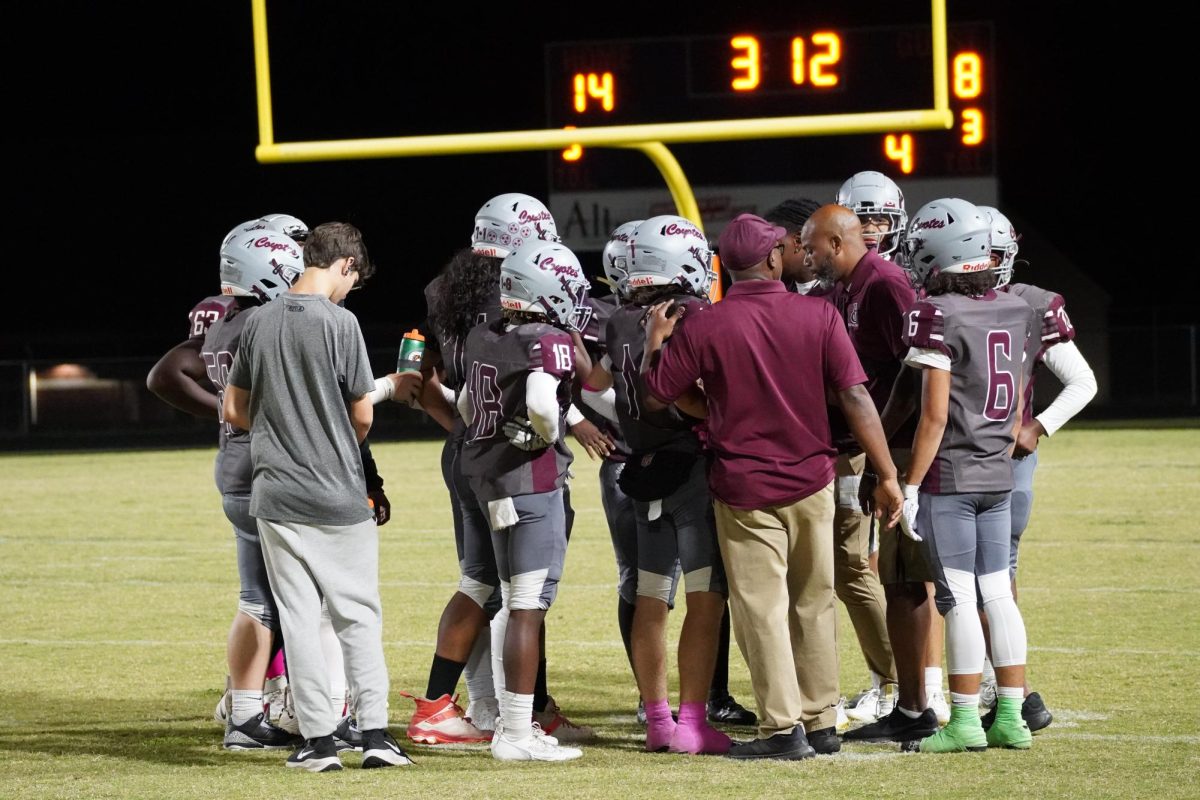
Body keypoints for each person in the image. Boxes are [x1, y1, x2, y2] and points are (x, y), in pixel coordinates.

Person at [641, 212, 904, 760]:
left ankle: (783, 728)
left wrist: (664, 360)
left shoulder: (705, 324)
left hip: (743, 484)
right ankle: (821, 719)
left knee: (761, 608)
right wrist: (888, 471)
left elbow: (659, 398)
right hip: (813, 479)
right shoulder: (818, 314)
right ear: (769, 258)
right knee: (814, 601)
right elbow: (856, 398)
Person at [146, 214, 377, 748]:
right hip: (277, 472)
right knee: (311, 603)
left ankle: (246, 714)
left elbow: (184, 378)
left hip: (236, 468)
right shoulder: (269, 322)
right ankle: (314, 711)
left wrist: (229, 416)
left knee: (259, 600)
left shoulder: (226, 323)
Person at [224, 221, 421, 771]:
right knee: (357, 618)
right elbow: (361, 412)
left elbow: (235, 411)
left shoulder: (256, 322)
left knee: (300, 619)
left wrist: (282, 427)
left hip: (276, 495)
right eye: (351, 280)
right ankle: (377, 737)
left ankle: (318, 744)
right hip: (336, 493)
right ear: (345, 265)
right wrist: (335, 437)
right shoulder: (341, 322)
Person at [404, 193, 595, 746]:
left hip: (471, 446)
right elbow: (532, 374)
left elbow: (414, 361)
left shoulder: (446, 289)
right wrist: (572, 420)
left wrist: (460, 422)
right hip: (515, 453)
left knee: (491, 584)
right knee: (522, 591)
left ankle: (492, 707)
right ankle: (495, 711)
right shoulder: (515, 295)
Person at [578, 216, 732, 755]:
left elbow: (593, 381)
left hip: (641, 470)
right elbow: (691, 393)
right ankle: (691, 719)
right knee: (704, 598)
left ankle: (658, 719)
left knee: (649, 597)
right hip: (691, 468)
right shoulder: (694, 316)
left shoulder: (618, 319)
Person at [893, 198, 1040, 753]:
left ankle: (963, 722)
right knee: (997, 594)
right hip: (999, 471)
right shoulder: (1018, 308)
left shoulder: (937, 314)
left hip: (952, 475)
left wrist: (909, 485)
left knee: (955, 596)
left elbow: (932, 415)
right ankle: (1010, 716)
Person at [800, 203, 948, 741]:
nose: (810, 258)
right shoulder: (847, 287)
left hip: (908, 453)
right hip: (886, 451)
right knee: (899, 580)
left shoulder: (884, 284)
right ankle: (911, 707)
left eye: (814, 247)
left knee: (918, 579)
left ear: (837, 243)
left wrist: (882, 460)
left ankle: (933, 703)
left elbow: (916, 377)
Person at [456, 238, 592, 762]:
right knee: (527, 609)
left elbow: (469, 402)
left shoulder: (484, 334)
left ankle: (505, 723)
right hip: (531, 484)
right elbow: (539, 398)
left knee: (512, 603)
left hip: (488, 478)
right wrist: (548, 432)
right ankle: (515, 733)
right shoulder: (548, 339)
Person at [976, 205, 1096, 731]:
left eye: (991, 253)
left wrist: (1036, 427)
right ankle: (1008, 691)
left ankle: (1009, 691)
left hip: (995, 459)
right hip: (967, 456)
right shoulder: (939, 300)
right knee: (988, 576)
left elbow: (1082, 382)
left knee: (988, 575)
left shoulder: (1032, 304)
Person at [762, 198, 829, 296]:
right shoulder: (777, 293)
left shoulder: (838, 293)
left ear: (799, 240)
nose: (768, 256)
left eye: (774, 246)